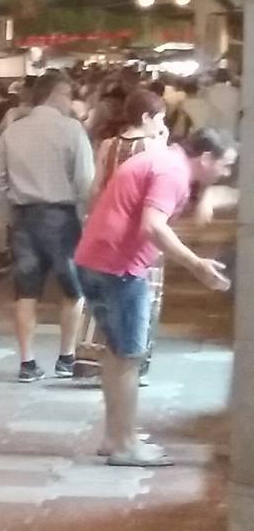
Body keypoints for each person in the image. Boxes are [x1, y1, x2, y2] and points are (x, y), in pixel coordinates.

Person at [76, 128, 235, 467]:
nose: (227, 173)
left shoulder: (162, 161)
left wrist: (208, 195)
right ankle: (125, 444)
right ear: (206, 158)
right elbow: (153, 225)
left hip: (95, 260)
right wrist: (196, 264)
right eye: (225, 165)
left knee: (117, 354)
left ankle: (115, 436)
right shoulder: (173, 172)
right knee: (129, 356)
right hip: (119, 267)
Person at [0, 73, 95, 383]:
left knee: (25, 291)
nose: (70, 101)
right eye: (67, 94)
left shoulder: (12, 132)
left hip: (24, 217)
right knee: (73, 289)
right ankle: (66, 357)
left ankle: (27, 362)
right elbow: (85, 181)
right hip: (62, 218)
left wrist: (10, 204)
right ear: (55, 94)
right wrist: (85, 215)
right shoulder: (72, 130)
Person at [72, 90, 169, 380]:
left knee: (104, 296)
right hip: (141, 233)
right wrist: (163, 141)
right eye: (160, 118)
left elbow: (96, 189)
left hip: (107, 229)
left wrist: (92, 220)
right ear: (146, 117)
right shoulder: (154, 148)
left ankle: (95, 359)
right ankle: (133, 363)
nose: (162, 124)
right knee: (143, 297)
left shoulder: (109, 146)